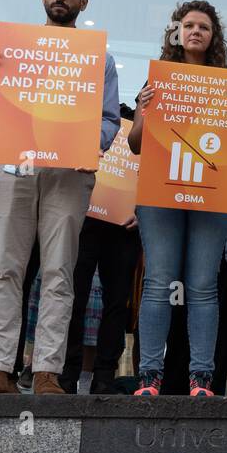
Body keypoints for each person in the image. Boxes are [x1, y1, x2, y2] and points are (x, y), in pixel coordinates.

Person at [0, 0, 121, 396]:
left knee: (59, 271)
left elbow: (109, 122)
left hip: (69, 174)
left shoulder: (100, 60)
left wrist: (80, 144)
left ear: (83, 3)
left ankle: (46, 372)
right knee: (4, 266)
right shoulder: (13, 53)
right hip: (15, 165)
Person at [128, 0, 227, 397]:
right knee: (158, 283)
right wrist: (143, 111)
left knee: (203, 285)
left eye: (203, 26)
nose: (195, 31)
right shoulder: (157, 84)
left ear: (214, 37)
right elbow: (134, 146)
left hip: (210, 193)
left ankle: (202, 376)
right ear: (177, 33)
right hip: (161, 193)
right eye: (188, 25)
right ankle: (149, 375)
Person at [57, 102, 141, 394]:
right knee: (74, 296)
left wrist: (141, 210)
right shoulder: (89, 128)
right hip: (86, 220)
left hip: (125, 226)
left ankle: (105, 374)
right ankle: (68, 371)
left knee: (117, 302)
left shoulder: (140, 133)